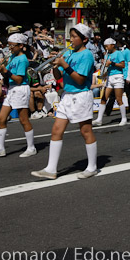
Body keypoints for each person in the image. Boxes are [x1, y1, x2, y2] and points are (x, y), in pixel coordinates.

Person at [31, 24, 97, 180]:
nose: (71, 40)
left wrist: (64, 65)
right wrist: (55, 65)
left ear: (84, 39)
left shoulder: (87, 55)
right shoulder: (69, 54)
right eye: (71, 36)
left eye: (75, 37)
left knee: (85, 131)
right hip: (67, 95)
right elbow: (58, 76)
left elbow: (80, 80)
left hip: (81, 95)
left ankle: (92, 166)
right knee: (56, 130)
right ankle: (51, 169)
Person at [0, 34, 37, 158]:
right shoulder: (12, 57)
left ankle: (31, 147)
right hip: (12, 89)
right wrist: (0, 70)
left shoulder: (22, 59)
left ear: (21, 46)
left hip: (20, 88)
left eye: (12, 45)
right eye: (9, 45)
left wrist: (6, 71)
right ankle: (0, 148)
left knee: (23, 119)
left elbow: (18, 79)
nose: (10, 48)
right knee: (1, 118)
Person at [94, 38, 127, 126]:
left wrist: (112, 63)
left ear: (112, 45)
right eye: (105, 46)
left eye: (107, 46)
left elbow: (123, 65)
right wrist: (103, 74)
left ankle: (124, 118)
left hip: (118, 77)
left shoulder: (118, 53)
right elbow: (107, 67)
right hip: (110, 77)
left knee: (118, 98)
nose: (106, 48)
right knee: (104, 97)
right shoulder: (107, 55)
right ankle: (99, 119)